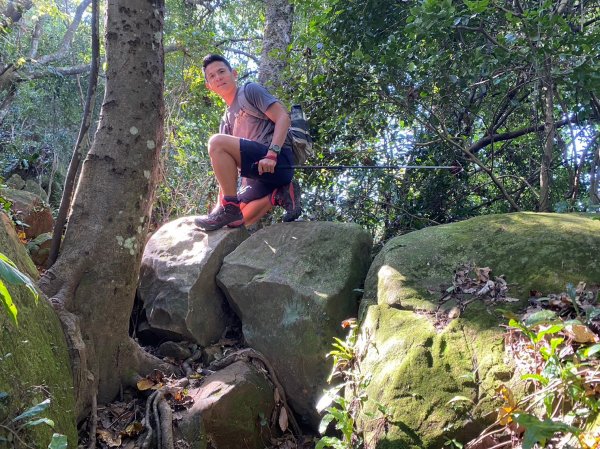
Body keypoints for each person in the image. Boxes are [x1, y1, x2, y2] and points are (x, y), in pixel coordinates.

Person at [195, 54, 301, 231]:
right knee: (235, 221)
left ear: (234, 74)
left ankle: (230, 208)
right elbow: (225, 174)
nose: (218, 78)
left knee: (216, 142)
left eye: (221, 71)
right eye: (212, 76)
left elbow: (283, 117)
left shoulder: (249, 91)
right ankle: (278, 194)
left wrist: (272, 154)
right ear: (209, 86)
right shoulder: (225, 121)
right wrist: (216, 211)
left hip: (277, 162)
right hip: (257, 173)